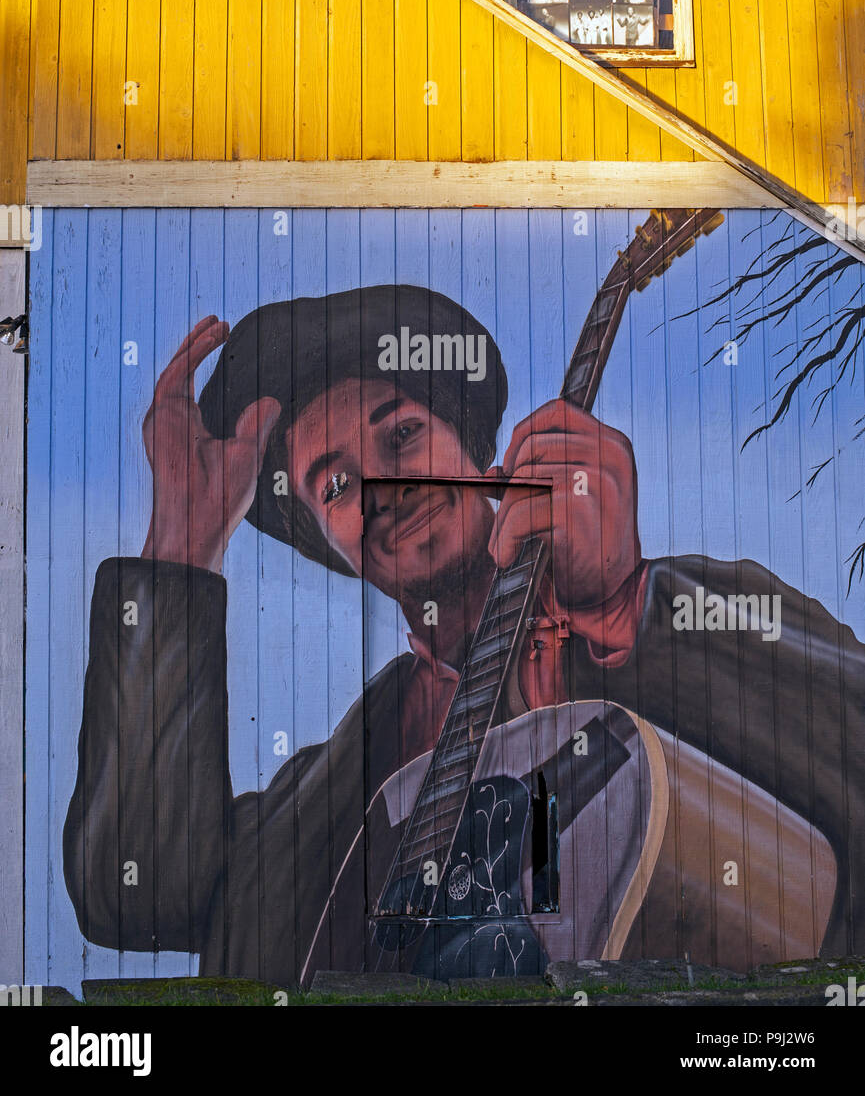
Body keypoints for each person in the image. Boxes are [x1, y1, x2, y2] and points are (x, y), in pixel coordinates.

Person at [64, 285, 865, 983]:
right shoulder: (347, 784)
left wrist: (624, 608)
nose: (385, 485)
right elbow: (139, 899)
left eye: (403, 434)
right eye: (337, 484)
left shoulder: (680, 611)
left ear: (478, 451)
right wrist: (182, 543)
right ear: (330, 542)